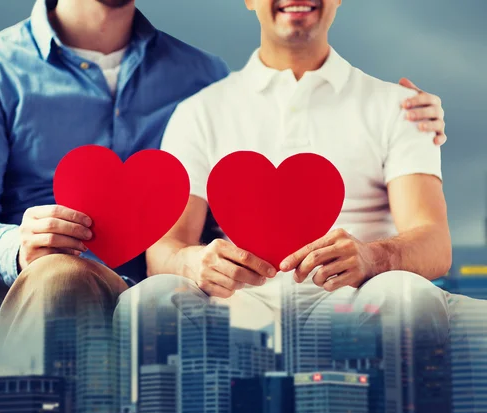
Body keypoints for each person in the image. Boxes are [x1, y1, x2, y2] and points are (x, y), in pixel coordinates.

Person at [0, 0, 447, 367]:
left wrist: (410, 116)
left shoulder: (202, 80)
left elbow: (249, 191)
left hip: (119, 288)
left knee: (60, 274)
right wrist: (14, 245)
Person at [129, 0, 475, 367]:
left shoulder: (401, 107)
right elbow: (164, 249)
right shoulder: (199, 113)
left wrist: (373, 256)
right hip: (236, 306)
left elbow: (434, 242)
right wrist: (195, 261)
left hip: (360, 301)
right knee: (149, 301)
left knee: (409, 297)